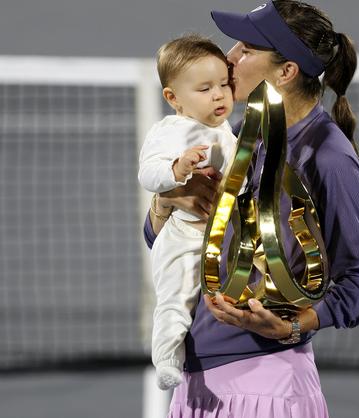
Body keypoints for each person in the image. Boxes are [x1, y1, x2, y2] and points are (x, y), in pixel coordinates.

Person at [143, 1, 359, 416]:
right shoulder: (238, 137)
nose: (229, 58)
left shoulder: (328, 157)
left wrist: (295, 325)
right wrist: (165, 203)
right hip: (198, 378)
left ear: (286, 72)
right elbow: (162, 240)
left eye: (245, 49)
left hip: (264, 383)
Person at [138, 34, 237, 391]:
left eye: (224, 84)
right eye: (205, 88)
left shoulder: (226, 131)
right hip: (183, 235)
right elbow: (147, 172)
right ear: (173, 98)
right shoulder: (170, 131)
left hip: (222, 237)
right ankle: (166, 359)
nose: (218, 94)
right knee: (176, 296)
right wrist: (177, 170)